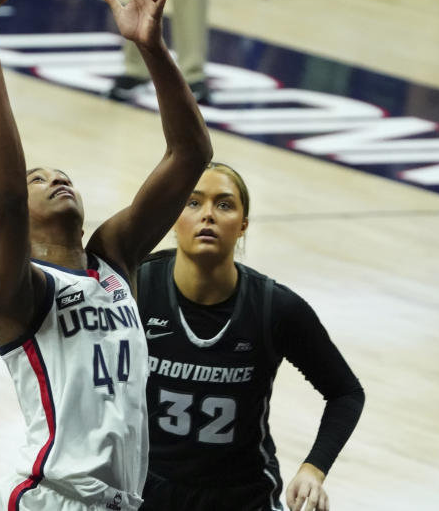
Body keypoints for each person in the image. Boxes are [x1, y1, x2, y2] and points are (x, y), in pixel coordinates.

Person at [0, 0, 213, 511]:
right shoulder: (17, 290)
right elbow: (3, 198)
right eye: (37, 177)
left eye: (61, 173)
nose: (56, 179)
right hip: (50, 499)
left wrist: (153, 50)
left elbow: (191, 152)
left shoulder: (113, 257)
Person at [135, 163, 365, 511]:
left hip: (242, 495)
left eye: (224, 204)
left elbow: (346, 393)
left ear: (243, 225)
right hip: (146, 490)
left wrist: (313, 469)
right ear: (172, 215)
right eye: (193, 203)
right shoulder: (136, 291)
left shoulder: (275, 307)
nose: (208, 215)